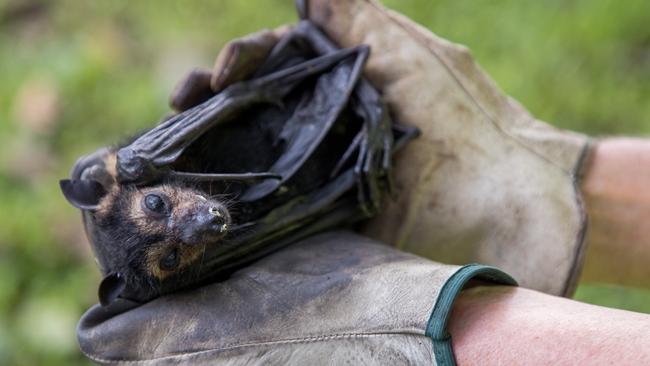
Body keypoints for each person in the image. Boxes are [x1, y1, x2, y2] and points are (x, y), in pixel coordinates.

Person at [75, 0, 650, 364]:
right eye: (175, 259)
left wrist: (471, 345)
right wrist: (563, 193)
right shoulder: (233, 242)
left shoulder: (152, 162)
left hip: (318, 116)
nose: (190, 226)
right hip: (331, 172)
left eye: (158, 206)